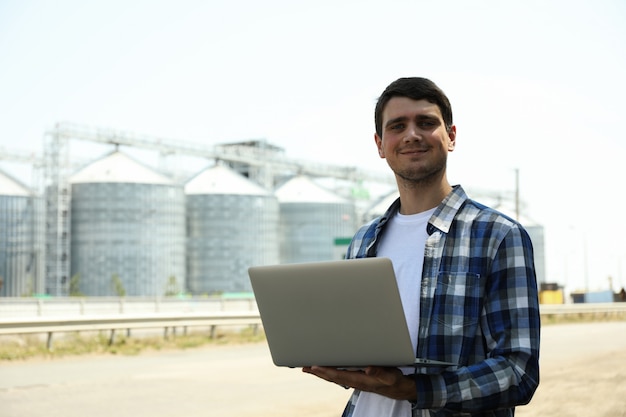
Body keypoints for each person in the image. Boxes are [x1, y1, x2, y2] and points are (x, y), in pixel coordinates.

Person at [303, 77, 540, 417]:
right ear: (381, 144)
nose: (412, 135)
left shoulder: (498, 236)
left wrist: (414, 390)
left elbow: (518, 373)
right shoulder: (363, 240)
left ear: (451, 136)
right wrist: (338, 365)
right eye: (397, 126)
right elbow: (364, 360)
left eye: (426, 123)